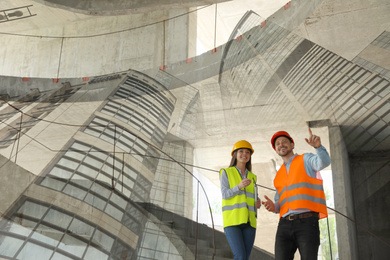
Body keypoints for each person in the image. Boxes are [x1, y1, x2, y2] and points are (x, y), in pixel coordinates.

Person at [262, 128, 331, 260]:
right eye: (277, 144)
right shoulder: (279, 175)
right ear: (275, 149)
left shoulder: (305, 159)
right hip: (284, 225)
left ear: (292, 145)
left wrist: (318, 147)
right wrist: (274, 207)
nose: (281, 145)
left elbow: (324, 162)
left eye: (284, 141)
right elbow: (279, 204)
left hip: (307, 222)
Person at [220, 140, 261, 260]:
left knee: (245, 257)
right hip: (232, 221)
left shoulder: (253, 177)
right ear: (235, 154)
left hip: (250, 222)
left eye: (247, 152)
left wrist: (257, 202)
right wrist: (239, 186)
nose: (244, 154)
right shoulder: (226, 172)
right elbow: (225, 194)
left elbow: (253, 196)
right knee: (240, 256)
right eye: (241, 151)